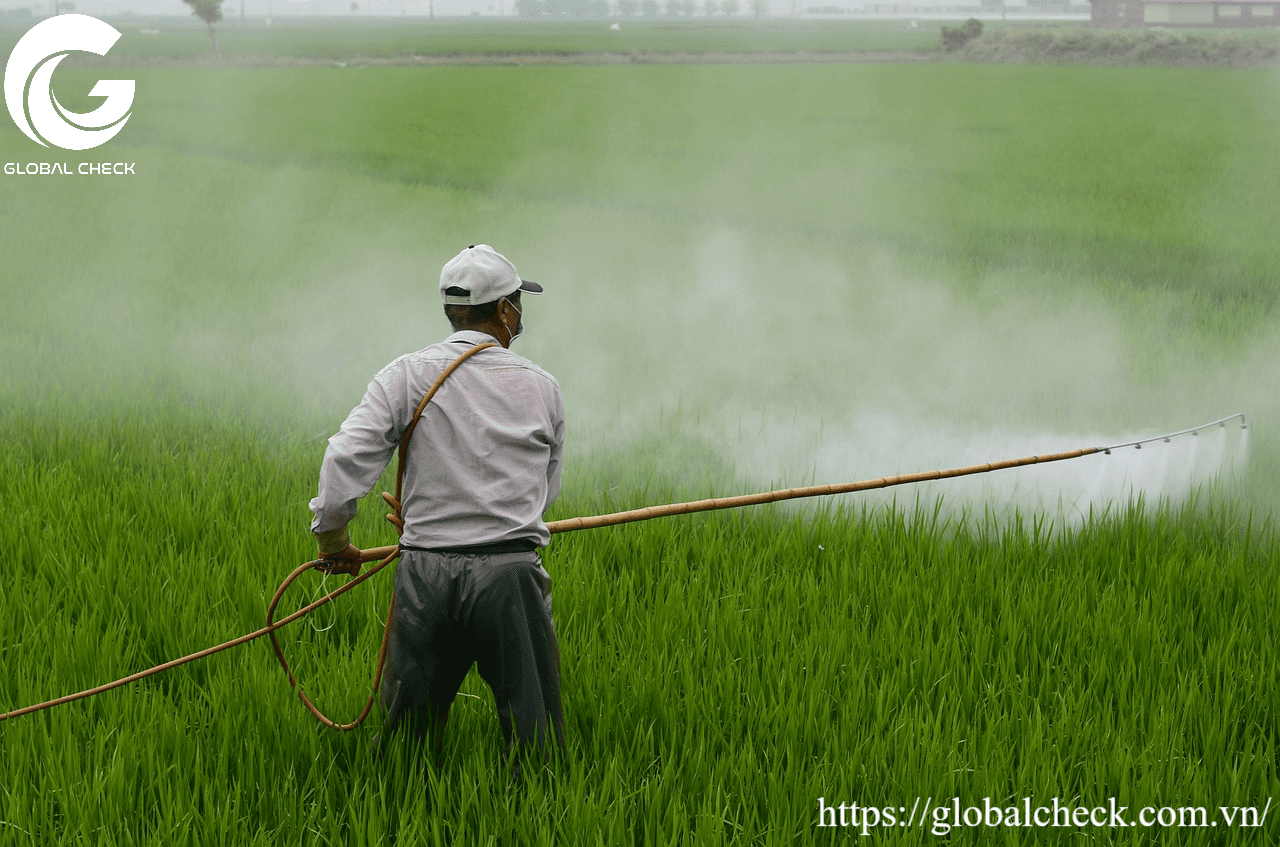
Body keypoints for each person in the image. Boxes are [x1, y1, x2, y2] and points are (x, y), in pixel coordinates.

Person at [308, 244, 566, 772]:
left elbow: (345, 456)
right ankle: (541, 816)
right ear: (503, 310)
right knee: (533, 731)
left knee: (408, 738)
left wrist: (334, 541)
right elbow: (543, 495)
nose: (519, 313)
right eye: (518, 302)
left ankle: (397, 813)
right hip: (510, 575)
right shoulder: (541, 387)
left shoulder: (404, 375)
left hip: (424, 572)